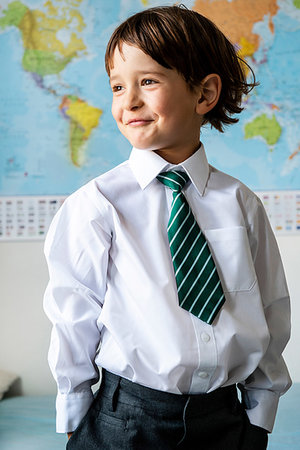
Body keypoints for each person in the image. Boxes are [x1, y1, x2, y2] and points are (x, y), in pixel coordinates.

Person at [44, 5, 291, 449]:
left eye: (149, 81)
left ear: (204, 94)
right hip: (125, 419)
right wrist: (74, 413)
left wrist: (261, 413)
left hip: (226, 418)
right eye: (118, 86)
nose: (129, 101)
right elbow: (72, 318)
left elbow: (270, 308)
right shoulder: (96, 206)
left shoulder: (241, 203)